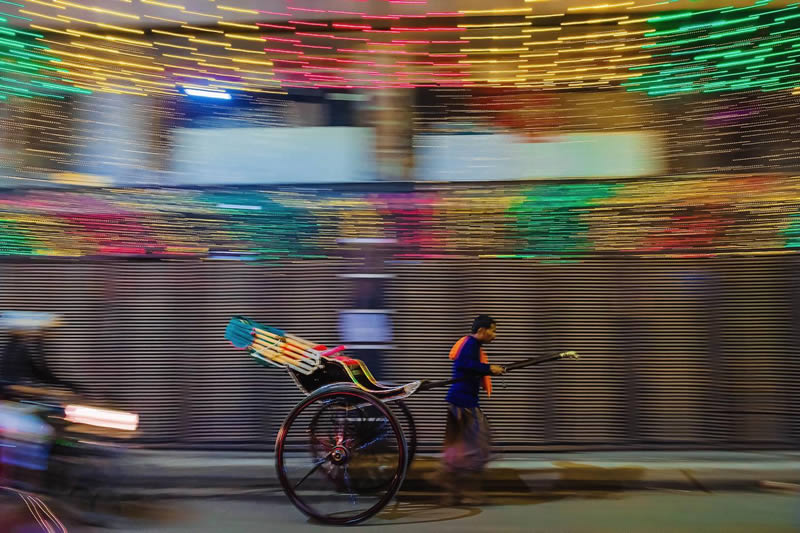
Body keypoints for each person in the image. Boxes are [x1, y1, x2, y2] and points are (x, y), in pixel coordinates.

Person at [432, 314, 505, 506]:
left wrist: (490, 369)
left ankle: (452, 491)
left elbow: (469, 366)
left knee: (462, 448)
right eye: (493, 330)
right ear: (481, 331)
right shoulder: (471, 344)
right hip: (463, 403)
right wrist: (490, 368)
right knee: (479, 445)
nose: (495, 335)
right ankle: (463, 490)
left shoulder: (471, 344)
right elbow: (465, 365)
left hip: (461, 401)